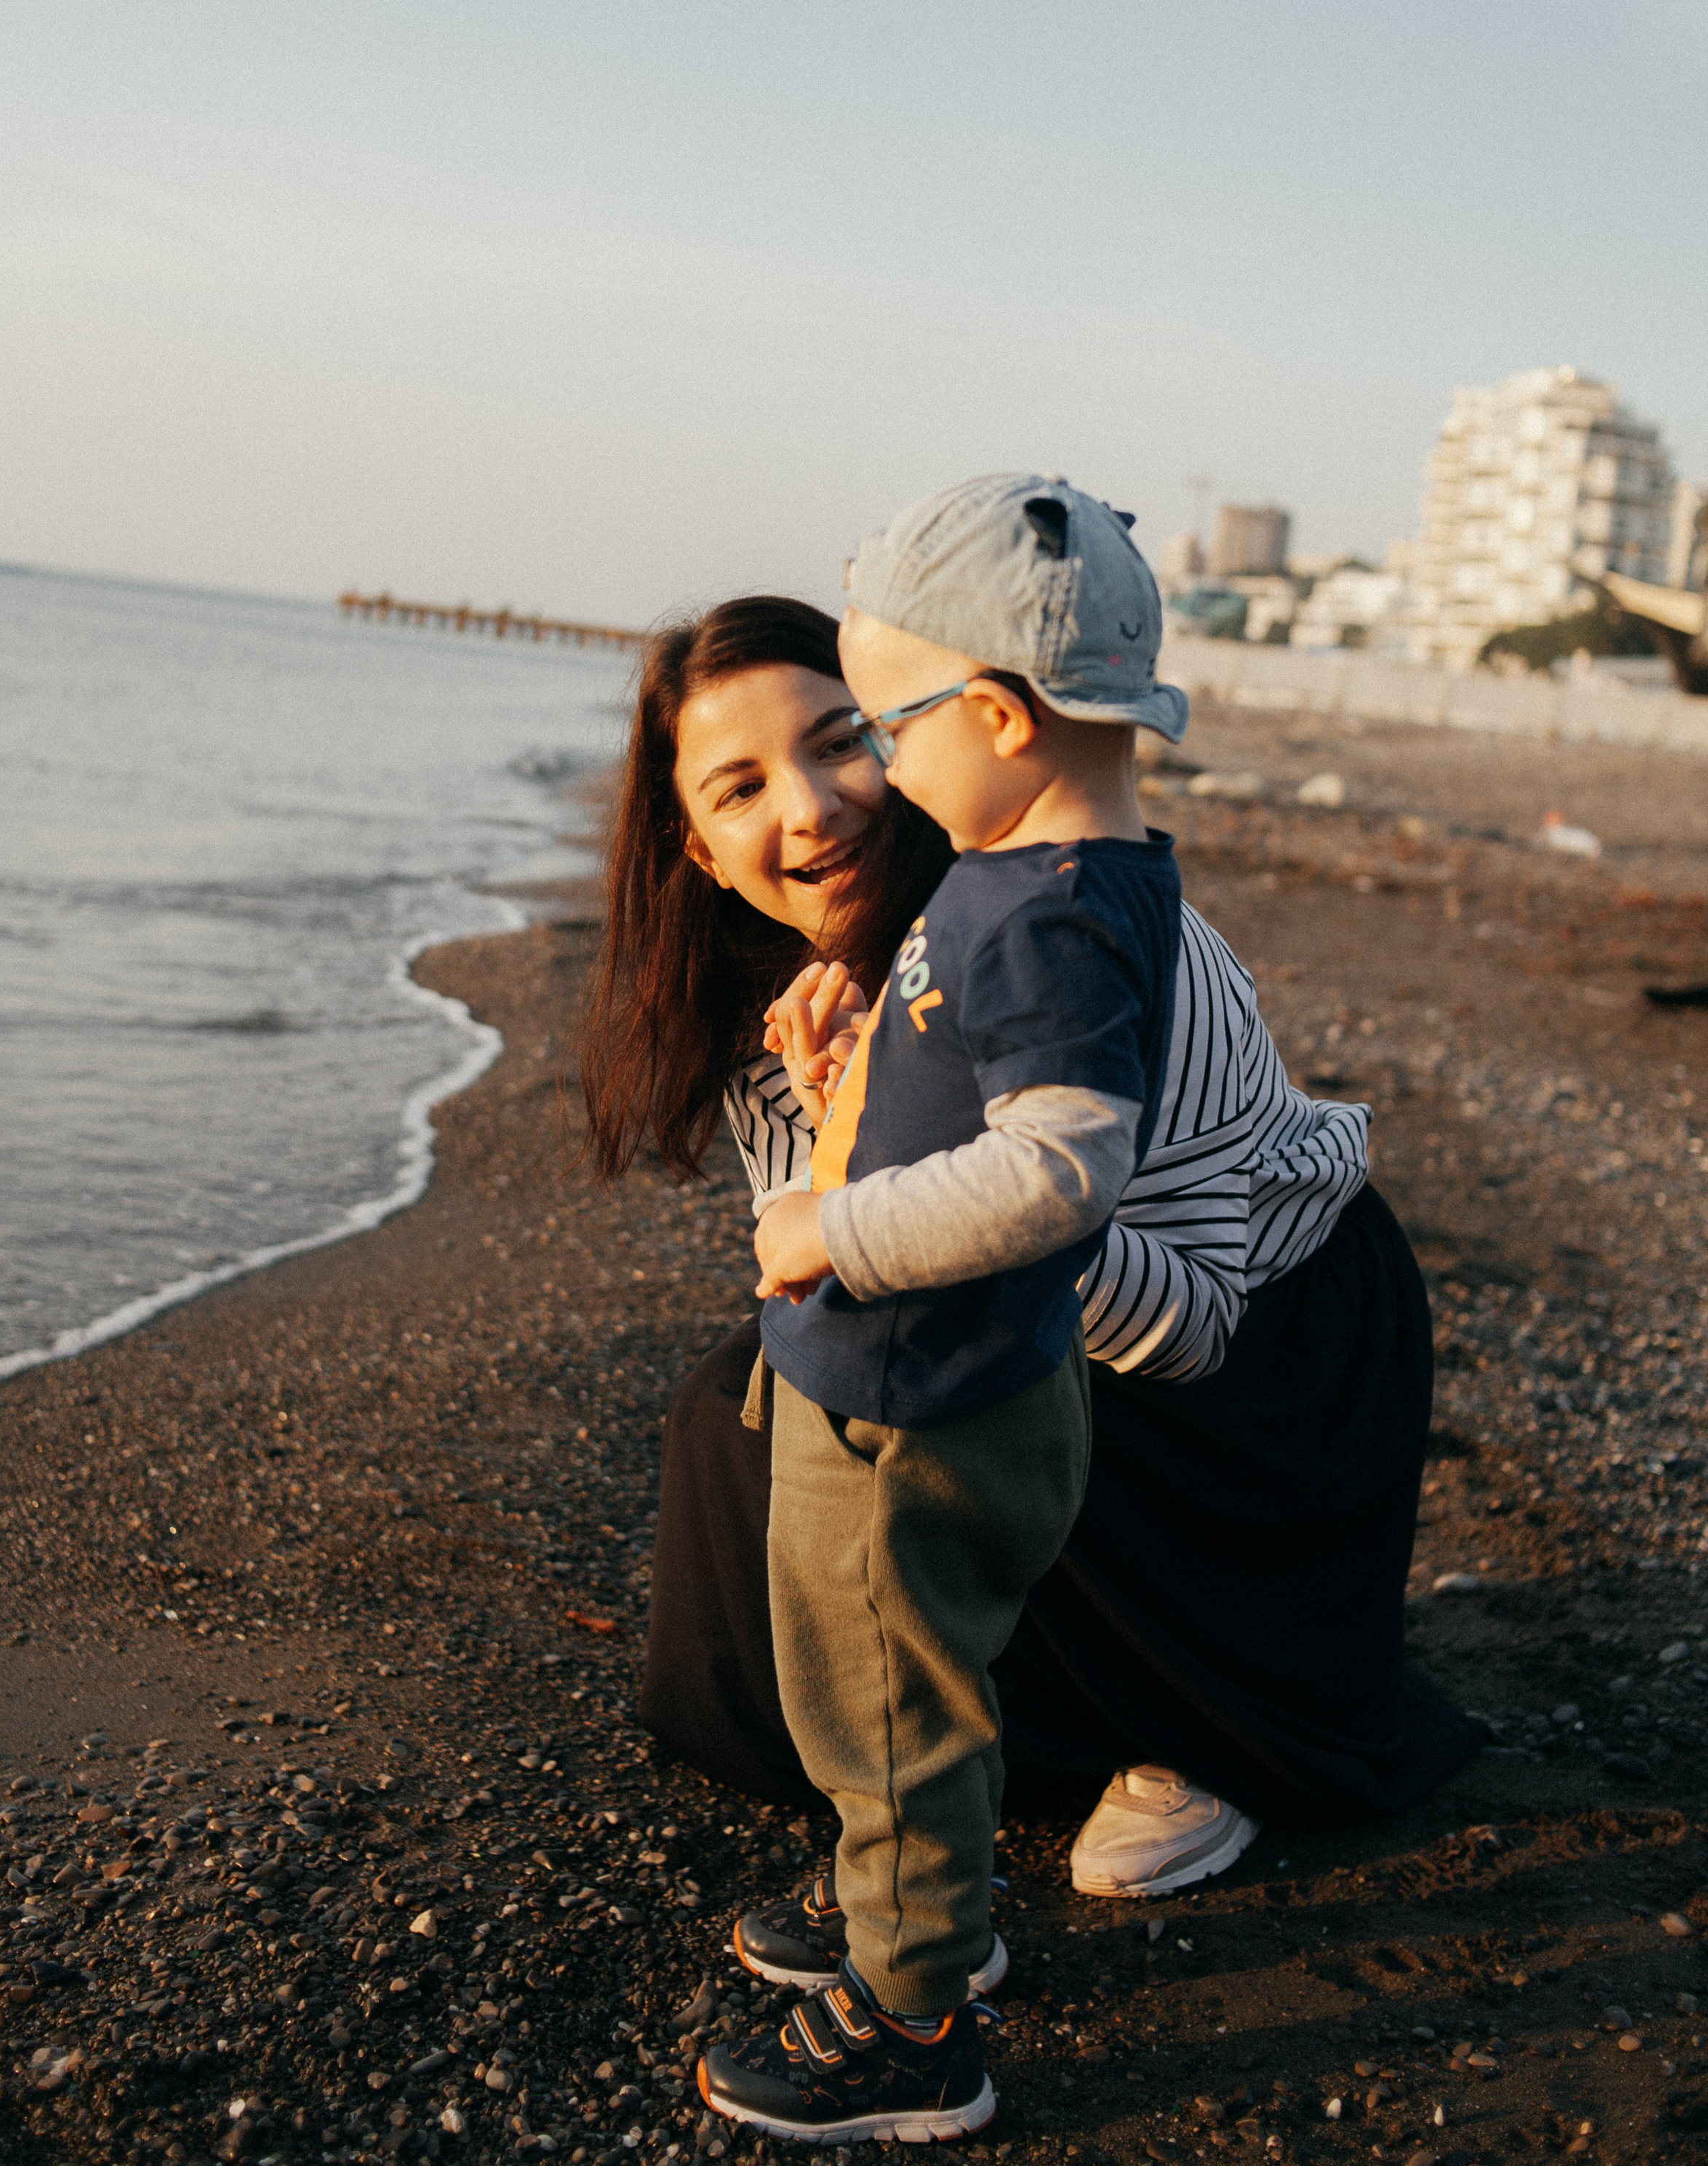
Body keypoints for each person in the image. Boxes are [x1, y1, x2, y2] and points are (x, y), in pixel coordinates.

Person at [580, 572, 1476, 1959]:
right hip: (1067, 1337)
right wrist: (839, 1124)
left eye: (839, 740)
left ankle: (1208, 1725)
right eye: (740, 788)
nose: (808, 810)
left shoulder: (1104, 943)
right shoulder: (790, 1011)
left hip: (1266, 1373)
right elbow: (827, 1289)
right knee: (743, 1416)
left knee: (966, 1406)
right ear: (699, 850)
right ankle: (944, 1755)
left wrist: (979, 1195)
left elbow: (1188, 1326)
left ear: (934, 730)